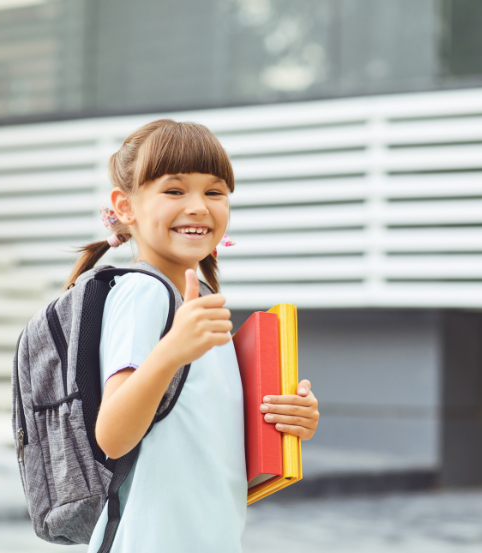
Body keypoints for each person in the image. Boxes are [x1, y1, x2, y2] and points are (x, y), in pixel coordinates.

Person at [64, 119, 320, 552]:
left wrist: (289, 418)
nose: (199, 206)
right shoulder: (144, 292)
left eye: (214, 192)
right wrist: (171, 352)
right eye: (174, 190)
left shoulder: (198, 302)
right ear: (125, 207)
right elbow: (111, 434)